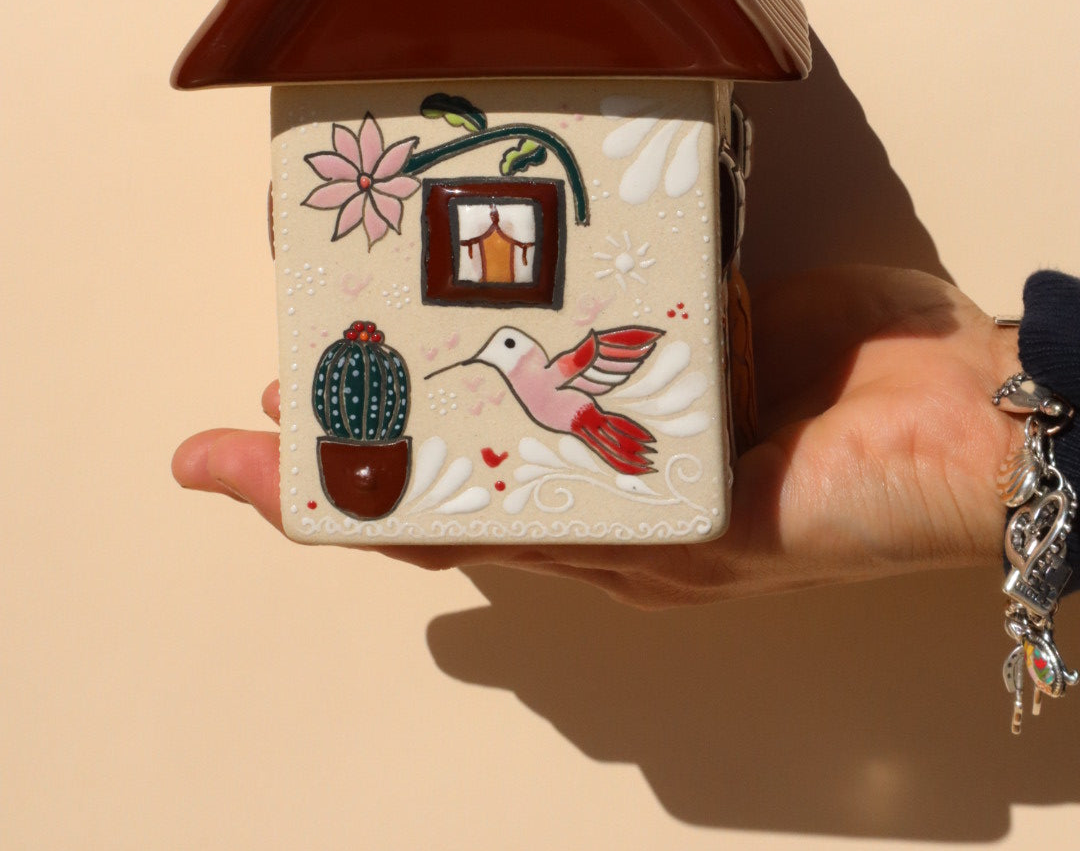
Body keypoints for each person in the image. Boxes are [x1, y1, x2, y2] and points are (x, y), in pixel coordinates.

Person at [172, 265, 1022, 607]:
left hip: (578, 420)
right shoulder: (524, 376)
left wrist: (994, 426)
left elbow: (605, 353)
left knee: (610, 444)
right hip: (571, 424)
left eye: (504, 348)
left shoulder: (554, 367)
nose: (498, 357)